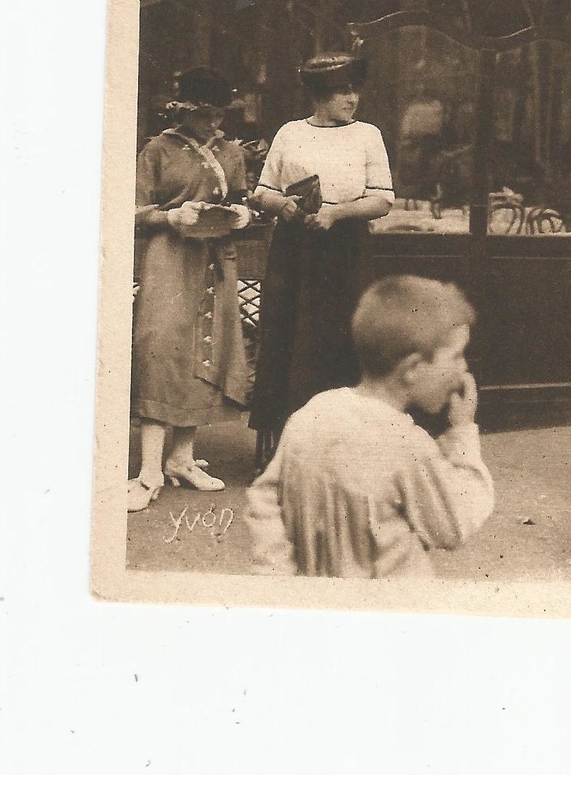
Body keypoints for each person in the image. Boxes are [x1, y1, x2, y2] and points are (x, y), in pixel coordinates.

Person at [246, 275, 493, 578]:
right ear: (413, 369)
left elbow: (265, 498)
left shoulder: (311, 414)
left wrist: (277, 575)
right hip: (390, 610)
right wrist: (463, 434)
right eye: (456, 355)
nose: (464, 367)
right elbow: (454, 524)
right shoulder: (408, 445)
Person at [248, 52, 395, 467]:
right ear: (319, 96)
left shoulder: (367, 135)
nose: (353, 99)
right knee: (289, 338)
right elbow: (261, 190)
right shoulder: (290, 133)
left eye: (355, 90)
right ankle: (286, 448)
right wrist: (283, 206)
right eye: (342, 91)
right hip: (295, 250)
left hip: (344, 250)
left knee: (342, 339)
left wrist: (334, 212)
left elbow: (383, 199)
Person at [128, 66, 254, 512]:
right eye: (204, 116)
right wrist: (169, 216)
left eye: (219, 116)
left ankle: (181, 458)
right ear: (184, 111)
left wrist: (243, 215)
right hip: (169, 259)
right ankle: (147, 471)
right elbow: (133, 210)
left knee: (206, 351)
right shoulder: (157, 149)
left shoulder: (231, 151)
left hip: (215, 261)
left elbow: (240, 198)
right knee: (160, 347)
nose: (213, 125)